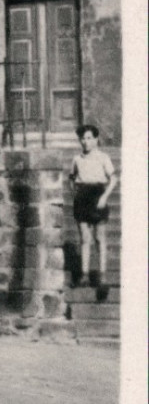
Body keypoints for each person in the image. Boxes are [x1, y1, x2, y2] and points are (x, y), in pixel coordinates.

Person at [69, 123, 116, 289]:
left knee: (99, 237)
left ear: (96, 139)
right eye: (82, 138)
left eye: (89, 138)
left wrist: (104, 197)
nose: (85, 142)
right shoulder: (77, 159)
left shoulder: (103, 157)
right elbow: (72, 177)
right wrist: (75, 191)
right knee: (85, 238)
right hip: (82, 197)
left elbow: (114, 180)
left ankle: (102, 276)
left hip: (98, 196)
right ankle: (84, 274)